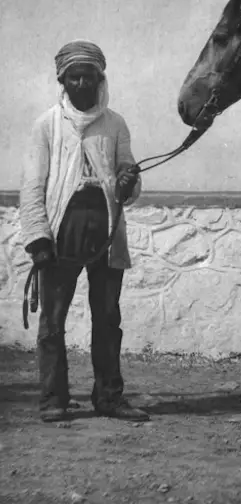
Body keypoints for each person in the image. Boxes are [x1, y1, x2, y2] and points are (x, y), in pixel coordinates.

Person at [19, 40, 149, 423]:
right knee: (52, 322)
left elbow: (128, 179)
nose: (80, 83)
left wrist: (127, 181)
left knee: (107, 319)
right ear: (62, 79)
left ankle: (109, 398)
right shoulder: (46, 125)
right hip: (62, 234)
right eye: (73, 76)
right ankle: (53, 401)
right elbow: (32, 186)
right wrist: (38, 239)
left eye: (87, 76)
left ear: (99, 79)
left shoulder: (115, 123)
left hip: (105, 233)